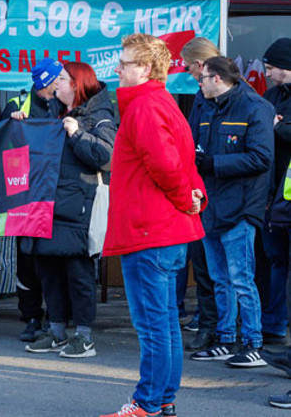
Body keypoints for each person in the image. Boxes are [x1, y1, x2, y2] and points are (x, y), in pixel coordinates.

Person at [100, 34, 206, 417]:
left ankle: (147, 403)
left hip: (150, 232)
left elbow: (166, 164)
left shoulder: (145, 106)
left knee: (153, 326)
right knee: (164, 324)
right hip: (164, 229)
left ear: (144, 69)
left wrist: (186, 197)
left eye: (124, 63)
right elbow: (183, 162)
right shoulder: (162, 103)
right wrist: (193, 197)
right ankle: (161, 399)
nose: (117, 69)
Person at [23, 62, 115, 358]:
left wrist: (77, 135)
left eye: (61, 80)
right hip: (50, 202)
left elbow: (107, 158)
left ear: (77, 84)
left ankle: (84, 337)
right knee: (48, 270)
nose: (55, 85)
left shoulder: (99, 115)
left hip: (79, 206)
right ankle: (57, 331)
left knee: (78, 273)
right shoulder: (53, 110)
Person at [187, 56, 273, 368]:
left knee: (241, 279)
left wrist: (214, 164)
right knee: (219, 278)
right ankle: (225, 339)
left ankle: (253, 343)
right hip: (210, 207)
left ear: (219, 79)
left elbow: (262, 158)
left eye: (203, 78)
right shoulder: (208, 106)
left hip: (240, 207)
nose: (199, 84)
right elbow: (197, 149)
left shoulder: (254, 106)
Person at [2, 57, 65, 342]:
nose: (64, 81)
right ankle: (30, 317)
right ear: (47, 83)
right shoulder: (17, 105)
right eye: (60, 77)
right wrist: (11, 123)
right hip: (25, 195)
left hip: (57, 192)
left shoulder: (66, 104)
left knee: (54, 260)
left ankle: (58, 316)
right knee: (26, 260)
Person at [178, 37, 221, 352]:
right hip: (201, 189)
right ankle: (208, 326)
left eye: (191, 66)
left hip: (221, 193)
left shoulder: (230, 98)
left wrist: (206, 160)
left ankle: (220, 331)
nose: (188, 72)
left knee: (220, 271)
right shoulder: (200, 98)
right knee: (203, 267)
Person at [261, 38, 291, 348]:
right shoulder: (272, 96)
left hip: (287, 195)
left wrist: (279, 128)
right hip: (274, 195)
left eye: (271, 68)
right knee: (275, 260)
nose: (267, 73)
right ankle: (273, 323)